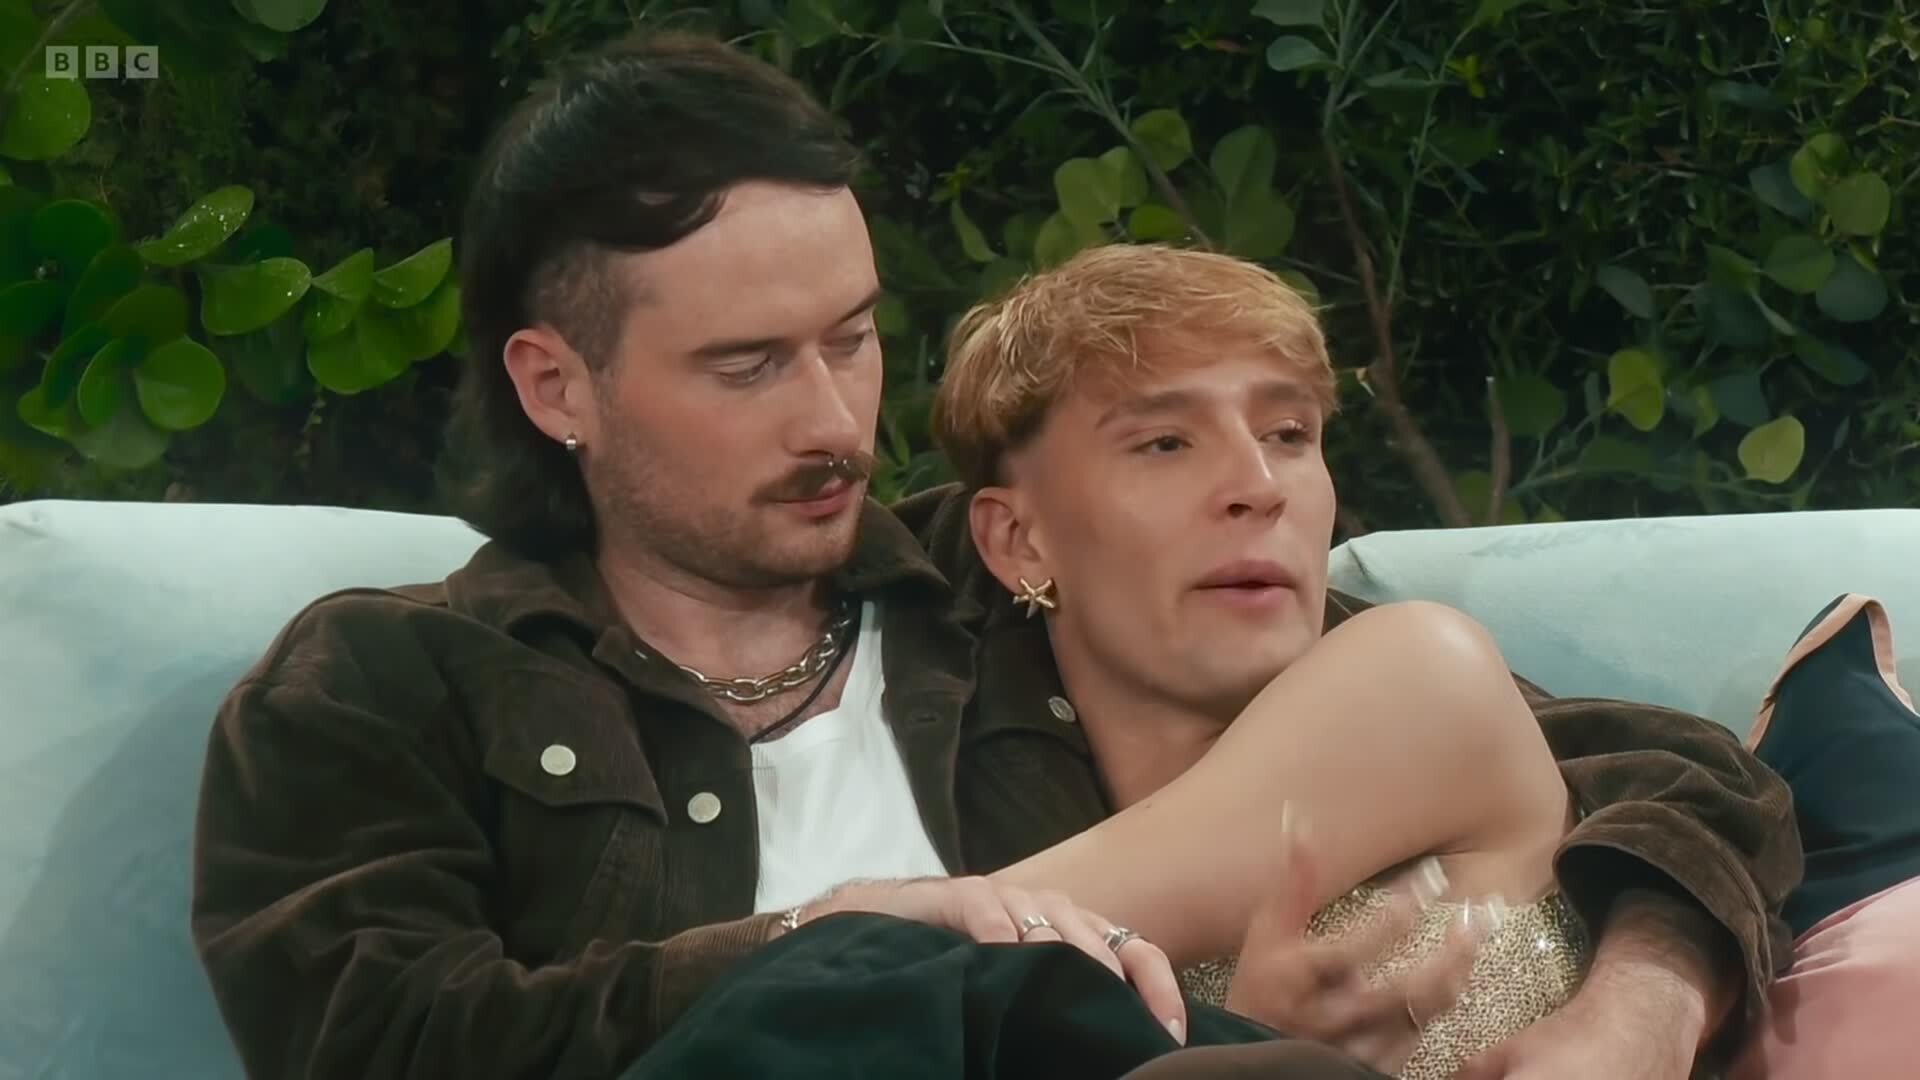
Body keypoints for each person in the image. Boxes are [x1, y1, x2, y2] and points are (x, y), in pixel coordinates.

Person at [187, 29, 1798, 1080]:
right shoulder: (384, 679)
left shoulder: (1009, 579)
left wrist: (1639, 1008)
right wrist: (836, 940)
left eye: (852, 339)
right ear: (559, 387)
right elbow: (380, 1038)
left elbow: (1651, 768)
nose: (833, 417)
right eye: (750, 367)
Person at [907, 241, 1800, 1078]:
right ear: (1017, 540)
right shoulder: (948, 731)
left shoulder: (1420, 668)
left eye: (1289, 433)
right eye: (1166, 442)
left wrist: (1648, 1003)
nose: (1260, 487)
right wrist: (1239, 1053)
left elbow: (1706, 782)